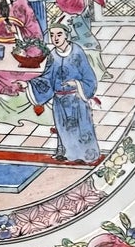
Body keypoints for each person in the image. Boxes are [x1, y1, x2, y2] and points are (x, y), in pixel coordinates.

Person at [29, 20, 100, 163]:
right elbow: (47, 78)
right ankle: (68, 153)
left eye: (59, 35)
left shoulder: (77, 52)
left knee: (82, 127)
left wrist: (77, 84)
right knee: (63, 128)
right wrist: (29, 84)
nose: (55, 38)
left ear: (66, 36)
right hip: (60, 100)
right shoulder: (52, 55)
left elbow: (88, 76)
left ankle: (86, 155)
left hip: (77, 98)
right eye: (52, 35)